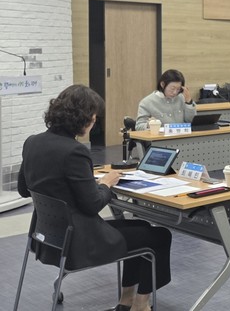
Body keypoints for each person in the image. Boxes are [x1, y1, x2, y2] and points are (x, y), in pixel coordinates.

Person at [18, 85, 171, 311]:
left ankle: (126, 302)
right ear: (83, 118)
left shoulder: (32, 142)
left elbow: (24, 189)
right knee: (159, 235)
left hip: (47, 239)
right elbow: (93, 205)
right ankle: (141, 304)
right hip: (80, 242)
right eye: (93, 117)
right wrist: (105, 184)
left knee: (140, 228)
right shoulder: (74, 151)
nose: (94, 121)